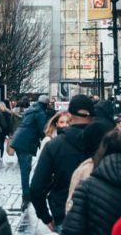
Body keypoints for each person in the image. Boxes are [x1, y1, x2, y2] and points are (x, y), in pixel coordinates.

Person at [30, 94, 95, 226]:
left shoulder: (54, 145)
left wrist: (45, 217)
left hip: (64, 212)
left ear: (70, 115)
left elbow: (37, 187)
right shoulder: (105, 142)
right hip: (98, 214)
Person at [10, 95, 50, 207]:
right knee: (25, 170)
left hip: (19, 139)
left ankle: (27, 194)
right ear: (46, 104)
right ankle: (26, 196)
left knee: (25, 169)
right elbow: (42, 129)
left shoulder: (31, 110)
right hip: (26, 142)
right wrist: (48, 140)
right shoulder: (40, 112)